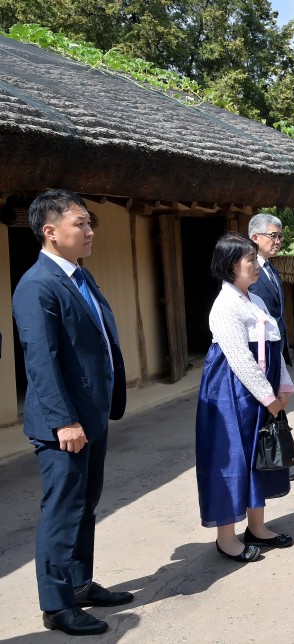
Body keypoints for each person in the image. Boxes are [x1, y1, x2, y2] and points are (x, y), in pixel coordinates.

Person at [12, 189, 130, 636]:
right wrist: (64, 420)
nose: (89, 231)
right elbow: (40, 362)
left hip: (92, 414)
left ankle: (80, 583)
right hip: (65, 422)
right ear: (50, 231)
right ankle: (57, 605)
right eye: (80, 223)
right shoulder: (37, 284)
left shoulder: (80, 276)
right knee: (62, 509)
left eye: (89, 223)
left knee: (86, 504)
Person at [195, 233, 294, 564]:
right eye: (249, 259)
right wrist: (268, 398)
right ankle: (226, 537)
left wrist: (283, 385)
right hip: (232, 392)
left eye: (254, 258)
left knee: (259, 455)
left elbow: (273, 346)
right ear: (229, 266)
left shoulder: (255, 300)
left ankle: (257, 527)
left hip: (259, 391)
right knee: (232, 459)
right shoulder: (224, 306)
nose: (255, 265)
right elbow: (239, 358)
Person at [248, 213, 292, 367]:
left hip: (276, 342)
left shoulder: (272, 269)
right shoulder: (245, 272)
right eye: (273, 236)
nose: (278, 242)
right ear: (255, 237)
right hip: (259, 346)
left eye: (280, 236)